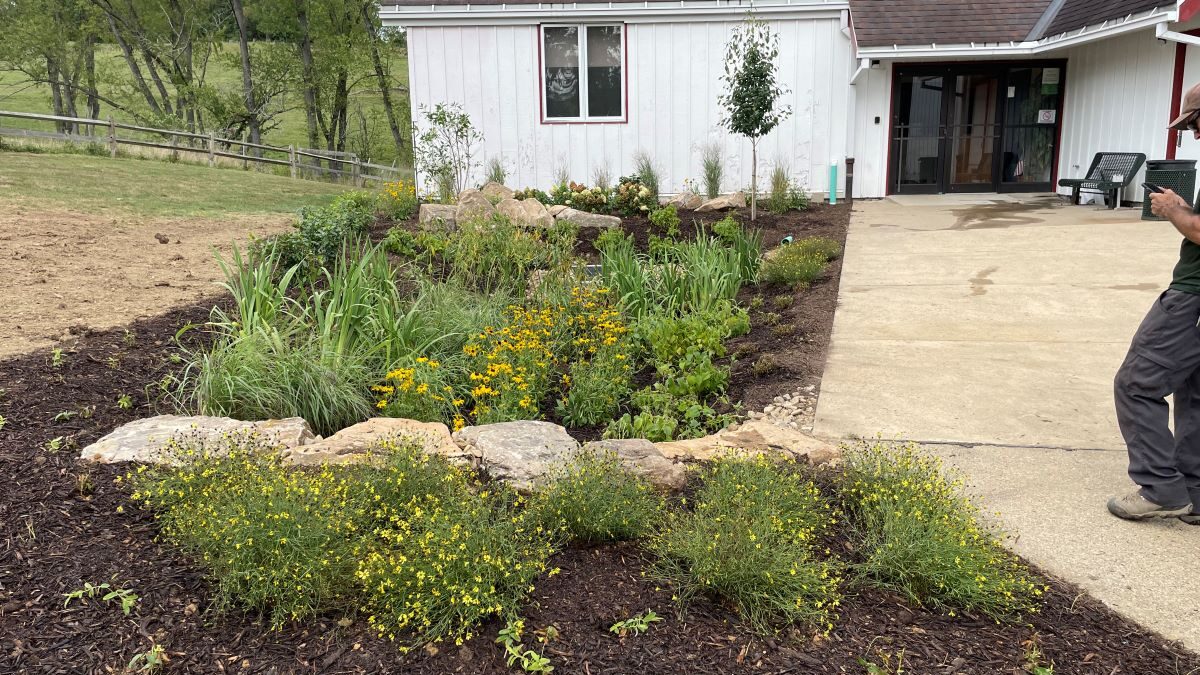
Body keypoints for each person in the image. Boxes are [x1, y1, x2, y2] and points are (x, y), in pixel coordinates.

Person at [1109, 82, 1200, 523]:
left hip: (1193, 300)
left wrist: (1172, 212)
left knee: (1136, 384)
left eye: (1196, 122)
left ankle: (1161, 488)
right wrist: (1186, 208)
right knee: (1196, 392)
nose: (1195, 134)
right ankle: (1196, 492)